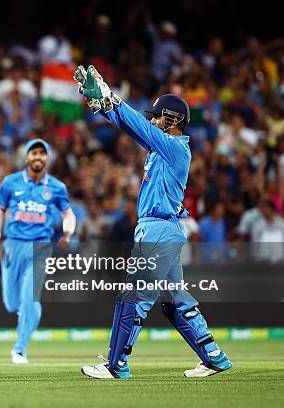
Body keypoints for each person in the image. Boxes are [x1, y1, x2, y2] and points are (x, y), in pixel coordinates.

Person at [75, 65, 232, 378]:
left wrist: (112, 98)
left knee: (134, 296)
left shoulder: (174, 148)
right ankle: (214, 357)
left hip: (158, 230)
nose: (152, 119)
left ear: (171, 120)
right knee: (174, 301)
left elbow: (140, 127)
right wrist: (106, 109)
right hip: (165, 229)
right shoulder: (163, 147)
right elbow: (135, 129)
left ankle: (116, 364)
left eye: (158, 116)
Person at [0, 138, 75, 364]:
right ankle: (30, 312)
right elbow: (0, 211)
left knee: (30, 295)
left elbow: (68, 214)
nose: (37, 157)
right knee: (12, 303)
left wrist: (67, 234)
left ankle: (19, 348)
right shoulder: (10, 183)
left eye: (42, 153)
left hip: (41, 247)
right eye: (33, 153)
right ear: (26, 157)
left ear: (47, 158)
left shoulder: (56, 187)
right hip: (13, 245)